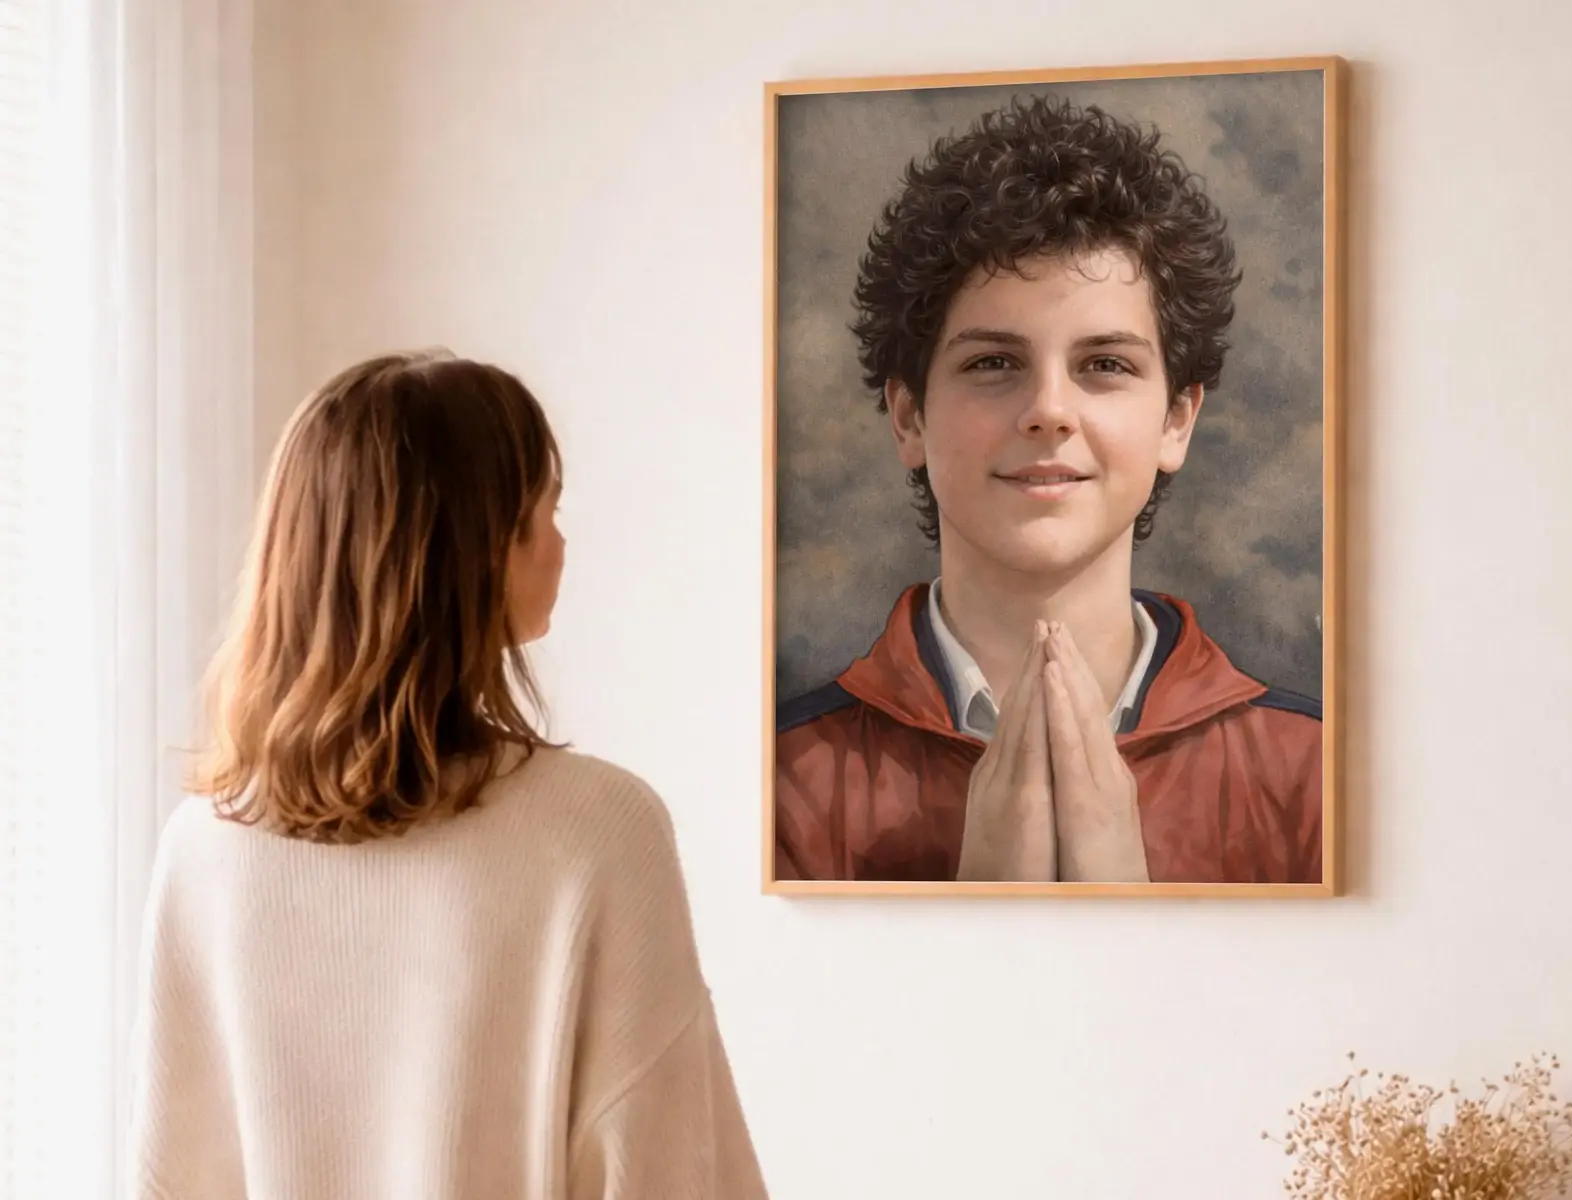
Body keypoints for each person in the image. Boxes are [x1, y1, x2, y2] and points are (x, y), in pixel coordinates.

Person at [128, 351, 768, 1198]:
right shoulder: (598, 832)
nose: (562, 544)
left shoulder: (204, 850)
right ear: (474, 550)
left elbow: (170, 1177)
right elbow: (665, 1170)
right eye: (544, 511)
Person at [774, 96, 1322, 885]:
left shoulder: (1310, 772)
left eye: (1105, 364)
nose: (1049, 412)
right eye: (993, 362)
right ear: (908, 418)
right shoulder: (784, 781)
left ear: (1176, 421)